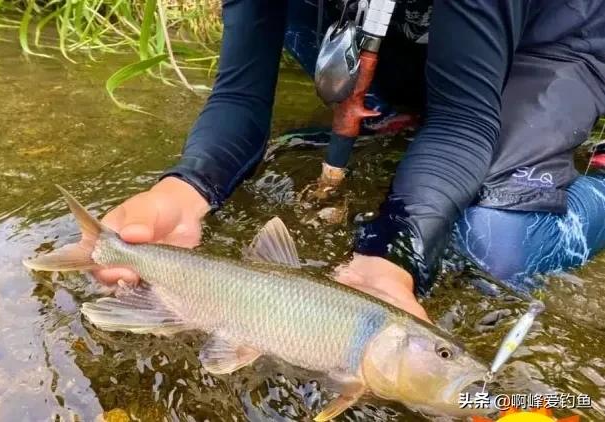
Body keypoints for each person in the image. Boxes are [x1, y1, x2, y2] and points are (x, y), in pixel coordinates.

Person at [94, 0, 605, 323]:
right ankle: (412, 100)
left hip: (545, 43)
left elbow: (462, 122)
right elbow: (239, 97)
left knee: (492, 245)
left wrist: (395, 251)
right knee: (299, 23)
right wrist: (183, 190)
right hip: (404, 23)